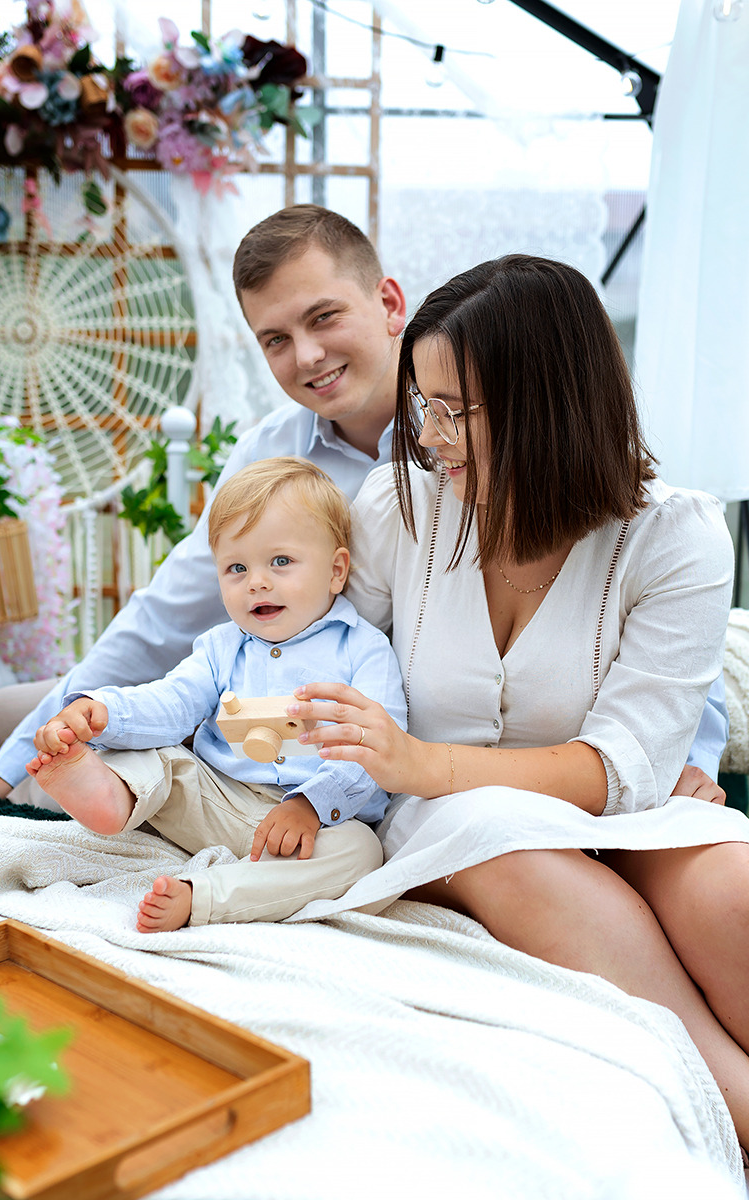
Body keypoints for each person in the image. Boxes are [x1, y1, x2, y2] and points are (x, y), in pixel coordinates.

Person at [0, 206, 726, 808]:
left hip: (401, 744)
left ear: (389, 302)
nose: (308, 356)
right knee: (3, 718)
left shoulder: (508, 430)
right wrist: (11, 765)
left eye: (323, 318)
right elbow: (164, 616)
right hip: (298, 714)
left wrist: (689, 759)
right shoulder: (273, 459)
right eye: (275, 339)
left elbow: (637, 621)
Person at [284, 254, 749, 1149]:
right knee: (509, 840)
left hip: (622, 813)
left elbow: (623, 767)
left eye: (455, 410)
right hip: (451, 824)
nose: (431, 437)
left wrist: (421, 759)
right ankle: (733, 1107)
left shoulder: (677, 538)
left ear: (552, 403)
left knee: (730, 885)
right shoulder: (398, 508)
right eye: (423, 405)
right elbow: (320, 661)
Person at [25, 458, 406, 932]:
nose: (257, 581)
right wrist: (104, 712)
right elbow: (172, 701)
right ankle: (112, 794)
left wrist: (311, 803)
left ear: (336, 570)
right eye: (236, 568)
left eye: (281, 561)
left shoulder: (364, 649)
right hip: (216, 800)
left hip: (313, 827)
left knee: (361, 852)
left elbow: (377, 745)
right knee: (161, 755)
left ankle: (203, 896)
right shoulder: (221, 647)